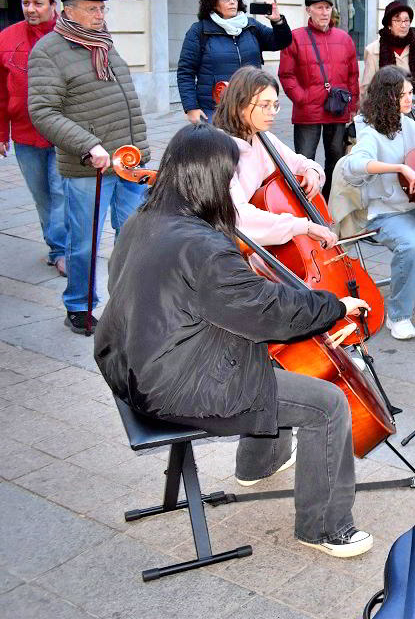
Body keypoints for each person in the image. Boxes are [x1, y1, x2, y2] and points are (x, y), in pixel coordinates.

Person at [93, 123, 374, 558]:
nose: (235, 187)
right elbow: (269, 311)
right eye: (230, 178)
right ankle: (324, 528)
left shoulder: (144, 219)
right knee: (327, 403)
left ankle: (257, 464)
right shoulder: (203, 246)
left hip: (129, 360)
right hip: (169, 384)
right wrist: (335, 307)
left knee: (269, 356)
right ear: (209, 179)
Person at [27, 0, 149, 334]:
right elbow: (44, 111)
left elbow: (124, 99)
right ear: (69, 10)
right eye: (93, 9)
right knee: (83, 243)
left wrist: (138, 148)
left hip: (128, 161)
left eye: (102, 9)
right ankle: (78, 306)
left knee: (133, 237)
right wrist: (88, 145)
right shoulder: (48, 51)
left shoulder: (104, 43)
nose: (100, 15)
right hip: (89, 167)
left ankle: (128, 304)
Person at [341, 66, 415, 340]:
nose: (409, 100)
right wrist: (399, 168)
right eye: (403, 95)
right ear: (387, 97)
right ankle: (398, 315)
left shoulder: (409, 123)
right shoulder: (369, 132)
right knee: (411, 246)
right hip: (387, 212)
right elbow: (354, 164)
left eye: (410, 93)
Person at [212, 66, 337, 249]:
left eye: (275, 105)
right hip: (216, 241)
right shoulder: (218, 149)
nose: (272, 112)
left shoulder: (261, 138)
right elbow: (238, 216)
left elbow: (299, 162)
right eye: (264, 105)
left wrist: (312, 172)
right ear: (239, 105)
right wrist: (303, 226)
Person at [0, 0, 67, 276]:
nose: (31, 9)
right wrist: (2, 132)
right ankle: (55, 247)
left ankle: (62, 250)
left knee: (61, 192)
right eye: (26, 3)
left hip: (62, 133)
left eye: (38, 3)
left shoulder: (67, 36)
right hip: (25, 135)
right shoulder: (7, 37)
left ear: (53, 5)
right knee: (42, 197)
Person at [278, 0, 360, 201]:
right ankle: (305, 203)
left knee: (336, 159)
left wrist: (352, 106)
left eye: (327, 7)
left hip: (337, 109)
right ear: (308, 10)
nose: (324, 12)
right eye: (319, 7)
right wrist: (301, 98)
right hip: (308, 111)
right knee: (304, 161)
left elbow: (353, 74)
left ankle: (329, 200)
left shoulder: (344, 38)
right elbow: (286, 74)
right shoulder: (295, 37)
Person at [176, 0, 291, 123]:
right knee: (221, 145)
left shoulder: (250, 26)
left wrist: (278, 21)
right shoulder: (199, 30)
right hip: (215, 108)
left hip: (251, 104)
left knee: (250, 144)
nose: (232, 1)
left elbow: (281, 42)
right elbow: (185, 71)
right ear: (213, 3)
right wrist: (191, 107)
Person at [361, 1, 415, 108]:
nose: (403, 25)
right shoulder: (373, 50)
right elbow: (367, 88)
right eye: (397, 20)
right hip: (384, 111)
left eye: (406, 20)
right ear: (389, 24)